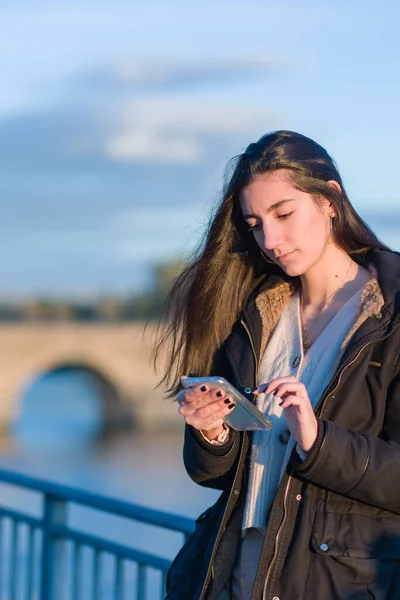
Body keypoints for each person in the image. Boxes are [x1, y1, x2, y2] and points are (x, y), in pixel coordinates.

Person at [155, 130, 400, 600]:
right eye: (254, 223)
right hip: (235, 581)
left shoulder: (391, 313)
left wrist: (319, 442)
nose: (271, 239)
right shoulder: (254, 312)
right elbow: (218, 476)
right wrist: (213, 434)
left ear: (330, 198)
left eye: (283, 213)